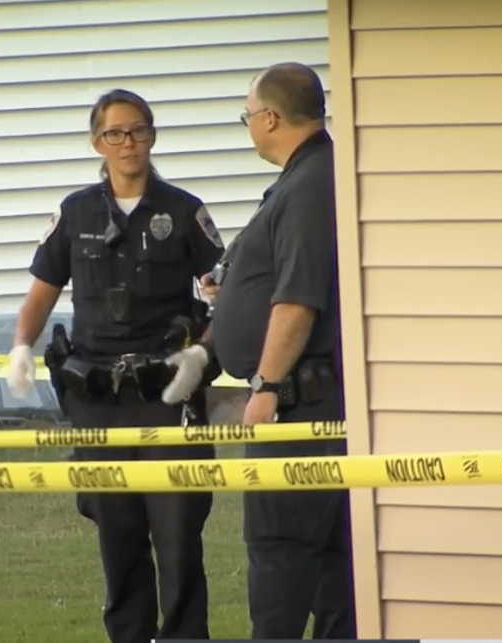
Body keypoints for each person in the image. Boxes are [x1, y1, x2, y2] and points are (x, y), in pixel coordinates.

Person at [5, 88, 227, 643]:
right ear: (96, 143)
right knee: (117, 532)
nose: (128, 144)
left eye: (139, 131)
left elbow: (226, 296)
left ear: (153, 136)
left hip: (169, 394)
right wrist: (21, 345)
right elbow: (43, 290)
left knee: (177, 536)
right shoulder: (75, 213)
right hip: (99, 398)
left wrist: (204, 354)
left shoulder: (183, 211)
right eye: (115, 134)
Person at [200, 62, 356, 639]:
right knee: (328, 568)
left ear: (270, 117)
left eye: (247, 115)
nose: (247, 126)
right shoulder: (304, 177)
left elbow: (298, 301)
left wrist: (265, 388)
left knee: (281, 555)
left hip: (299, 405)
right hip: (306, 400)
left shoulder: (311, 183)